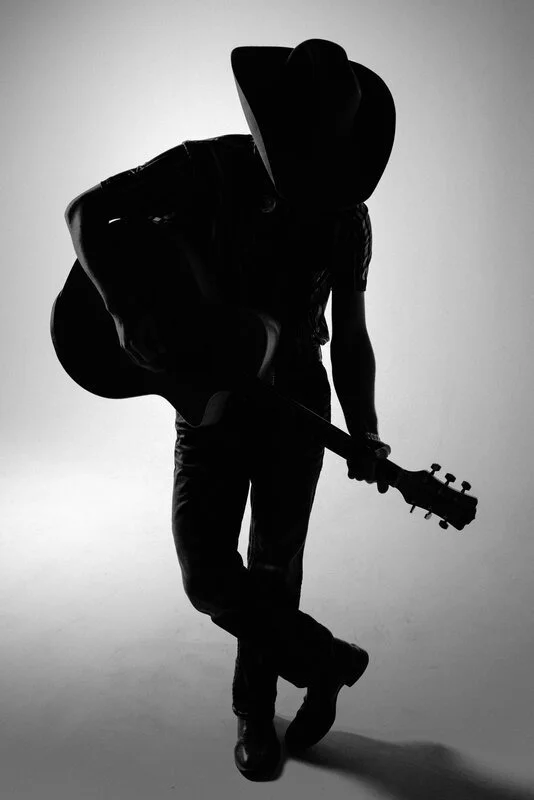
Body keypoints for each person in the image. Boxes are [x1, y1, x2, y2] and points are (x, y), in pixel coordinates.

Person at [64, 38, 396, 781]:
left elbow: (351, 332)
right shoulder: (203, 168)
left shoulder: (348, 220)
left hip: (296, 400)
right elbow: (89, 212)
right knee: (207, 573)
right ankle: (326, 662)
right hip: (209, 392)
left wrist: (365, 428)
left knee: (274, 567)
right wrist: (122, 311)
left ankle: (254, 713)